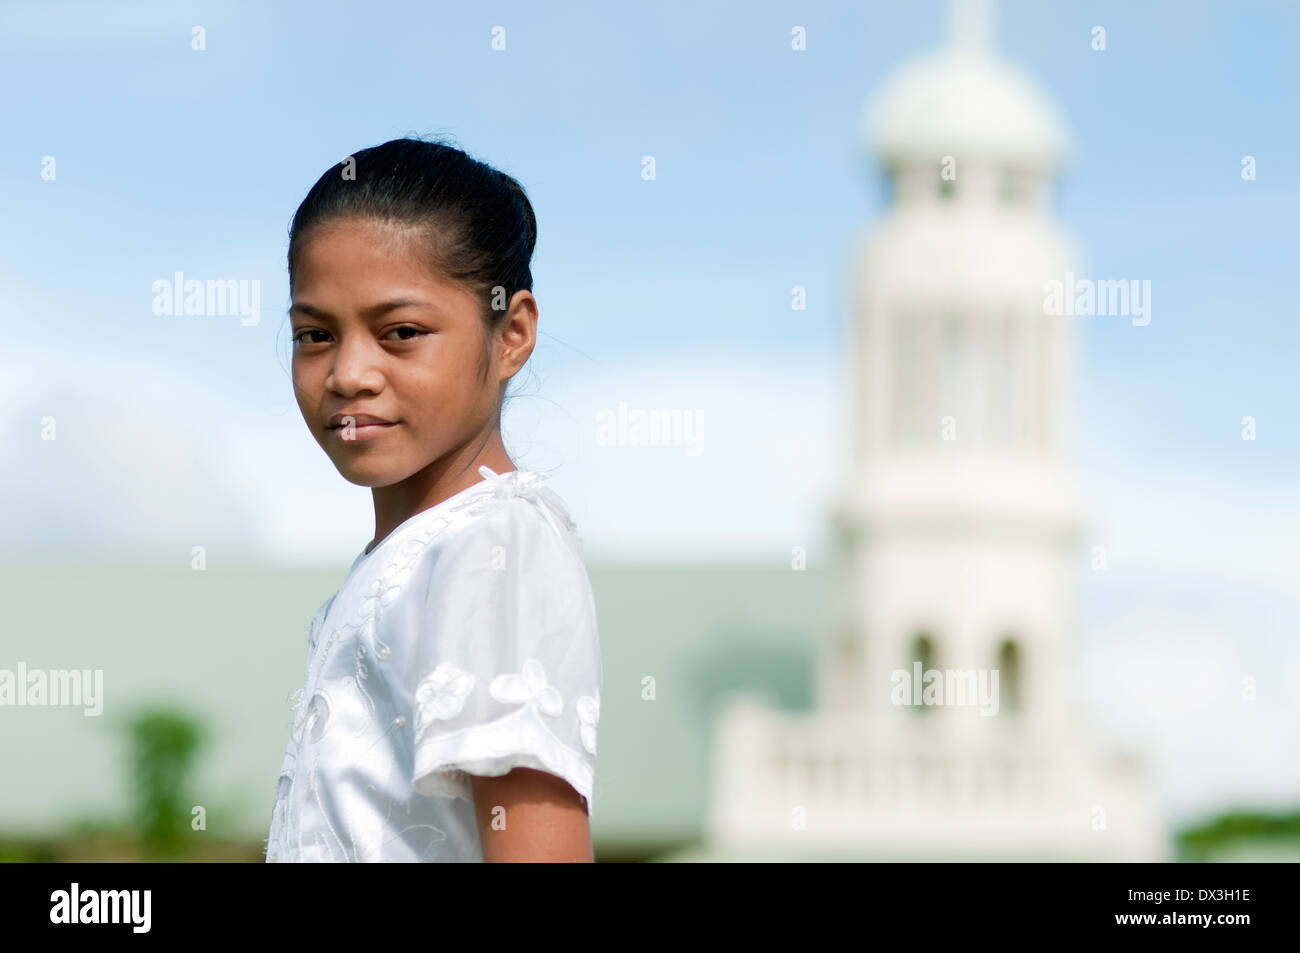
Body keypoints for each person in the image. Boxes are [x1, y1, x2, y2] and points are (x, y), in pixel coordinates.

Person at [264, 137, 601, 862]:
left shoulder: (493, 543)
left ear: (511, 334)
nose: (349, 372)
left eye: (402, 332)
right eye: (314, 334)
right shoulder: (415, 554)